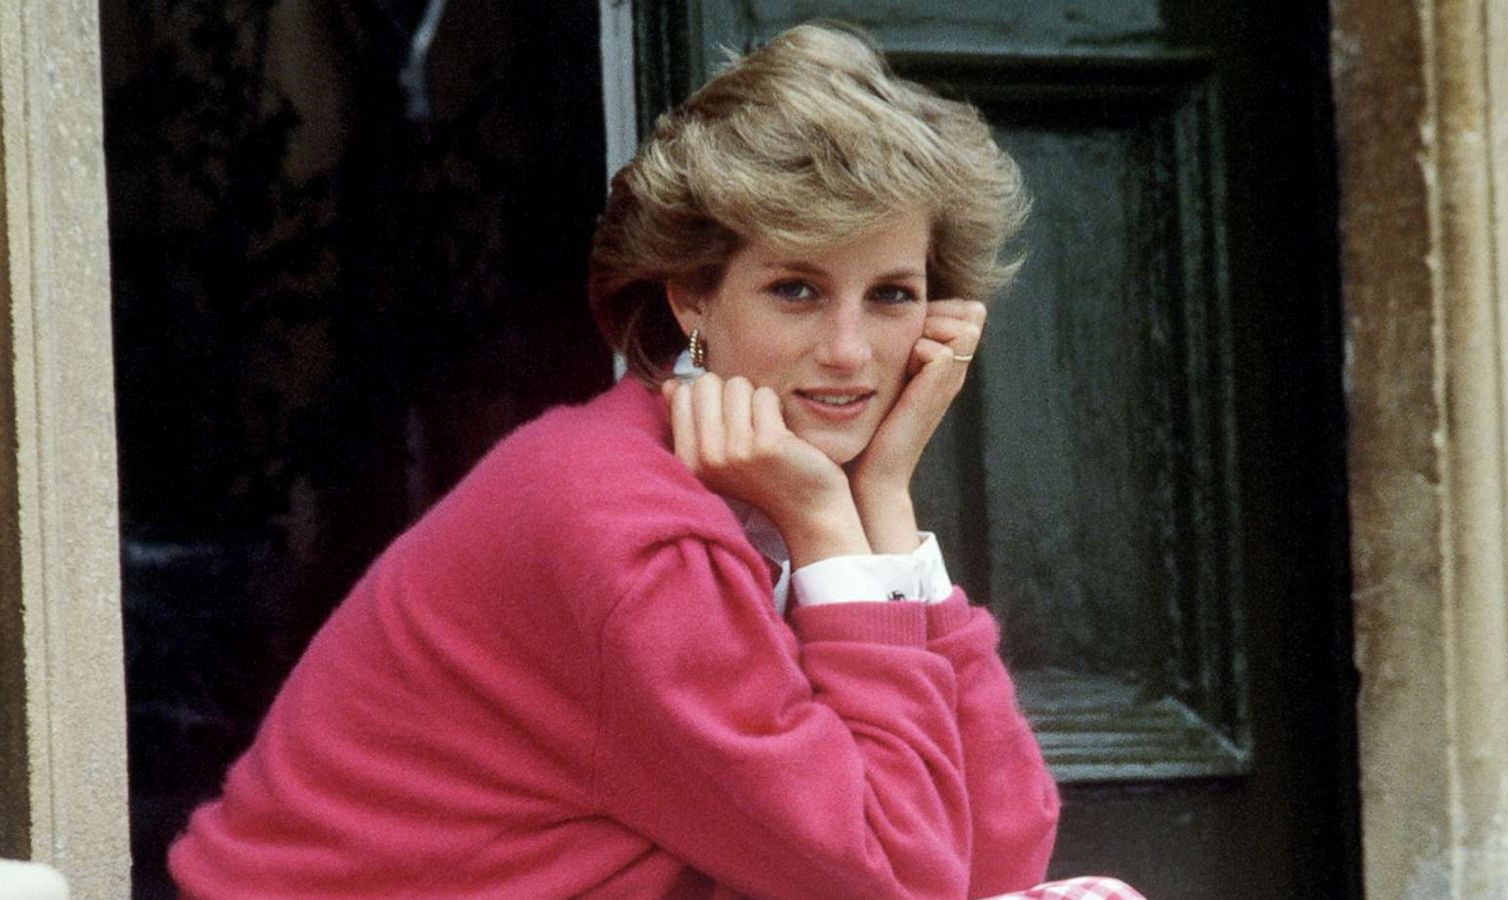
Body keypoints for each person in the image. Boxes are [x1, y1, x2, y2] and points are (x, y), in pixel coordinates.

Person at [169, 21, 1062, 899]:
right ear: (691, 301)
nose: (848, 349)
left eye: (892, 296)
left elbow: (1002, 851)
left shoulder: (751, 488)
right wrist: (831, 526)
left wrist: (882, 505)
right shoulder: (633, 532)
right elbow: (905, 883)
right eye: (796, 288)